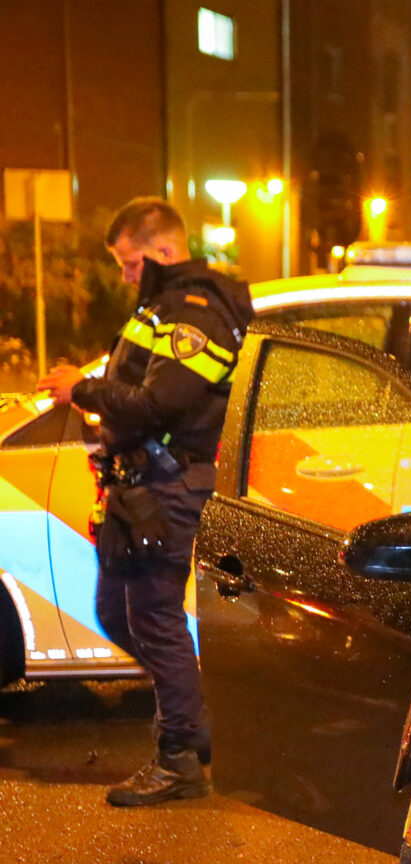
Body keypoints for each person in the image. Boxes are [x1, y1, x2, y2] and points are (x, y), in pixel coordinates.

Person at [36, 198, 254, 806]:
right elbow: (133, 389)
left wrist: (81, 389)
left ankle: (180, 756)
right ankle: (193, 718)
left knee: (154, 618)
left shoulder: (196, 310)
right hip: (137, 486)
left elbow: (162, 403)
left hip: (170, 486)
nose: (126, 275)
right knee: (115, 609)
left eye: (130, 263)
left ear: (161, 250)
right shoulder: (159, 307)